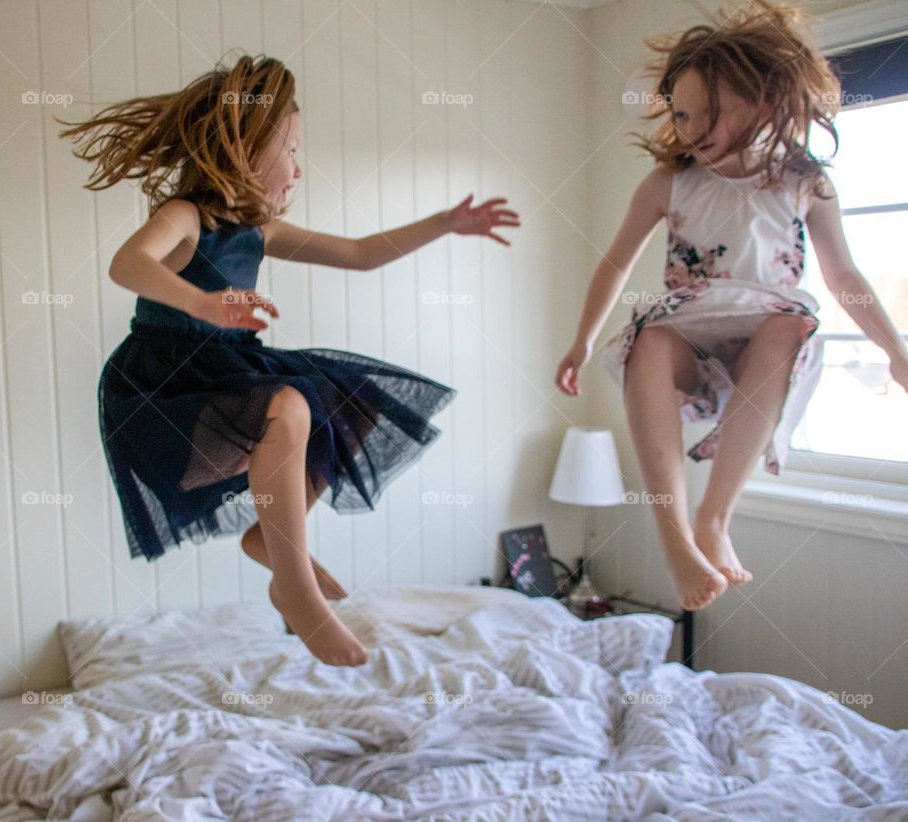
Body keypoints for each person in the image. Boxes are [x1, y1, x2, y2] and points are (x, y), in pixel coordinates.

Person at [57, 54, 520, 666]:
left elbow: (358, 253)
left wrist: (444, 222)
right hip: (165, 384)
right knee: (290, 404)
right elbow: (128, 264)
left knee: (344, 404)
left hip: (228, 369)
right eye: (293, 149)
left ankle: (271, 543)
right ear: (246, 150)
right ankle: (296, 589)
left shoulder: (260, 230)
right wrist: (202, 300)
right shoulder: (185, 217)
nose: (300, 167)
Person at [555, 1, 908, 611]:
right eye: (683, 114)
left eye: (707, 113)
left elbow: (843, 275)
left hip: (763, 351)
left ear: (763, 103)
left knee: (790, 323)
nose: (690, 128)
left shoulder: (805, 181)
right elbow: (614, 263)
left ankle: (714, 519)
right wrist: (584, 339)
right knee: (652, 340)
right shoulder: (670, 182)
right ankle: (676, 537)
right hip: (689, 336)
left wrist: (894, 348)